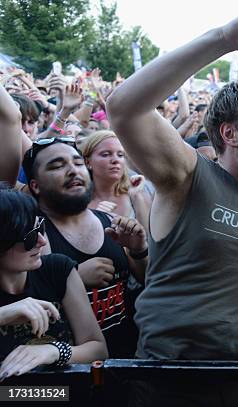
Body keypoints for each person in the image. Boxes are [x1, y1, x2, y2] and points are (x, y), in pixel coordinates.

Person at [106, 10, 238, 393]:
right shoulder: (188, 175)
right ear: (230, 133)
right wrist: (224, 39)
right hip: (165, 377)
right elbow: (124, 107)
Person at [21, 138, 148, 358]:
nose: (72, 170)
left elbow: (148, 280)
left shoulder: (111, 222)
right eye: (57, 166)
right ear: (35, 185)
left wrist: (139, 250)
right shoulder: (33, 236)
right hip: (65, 375)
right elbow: (26, 305)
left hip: (126, 364)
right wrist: (74, 278)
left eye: (78, 163)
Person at [0, 188, 107, 379]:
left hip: (65, 394)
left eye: (39, 227)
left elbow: (99, 349)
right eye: (30, 237)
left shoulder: (58, 270)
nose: (41, 241)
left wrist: (53, 351)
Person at [80, 130, 152, 230]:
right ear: (87, 162)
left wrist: (137, 198)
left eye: (120, 155)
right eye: (105, 154)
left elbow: (150, 240)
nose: (115, 160)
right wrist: (96, 219)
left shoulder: (139, 193)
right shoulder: (78, 201)